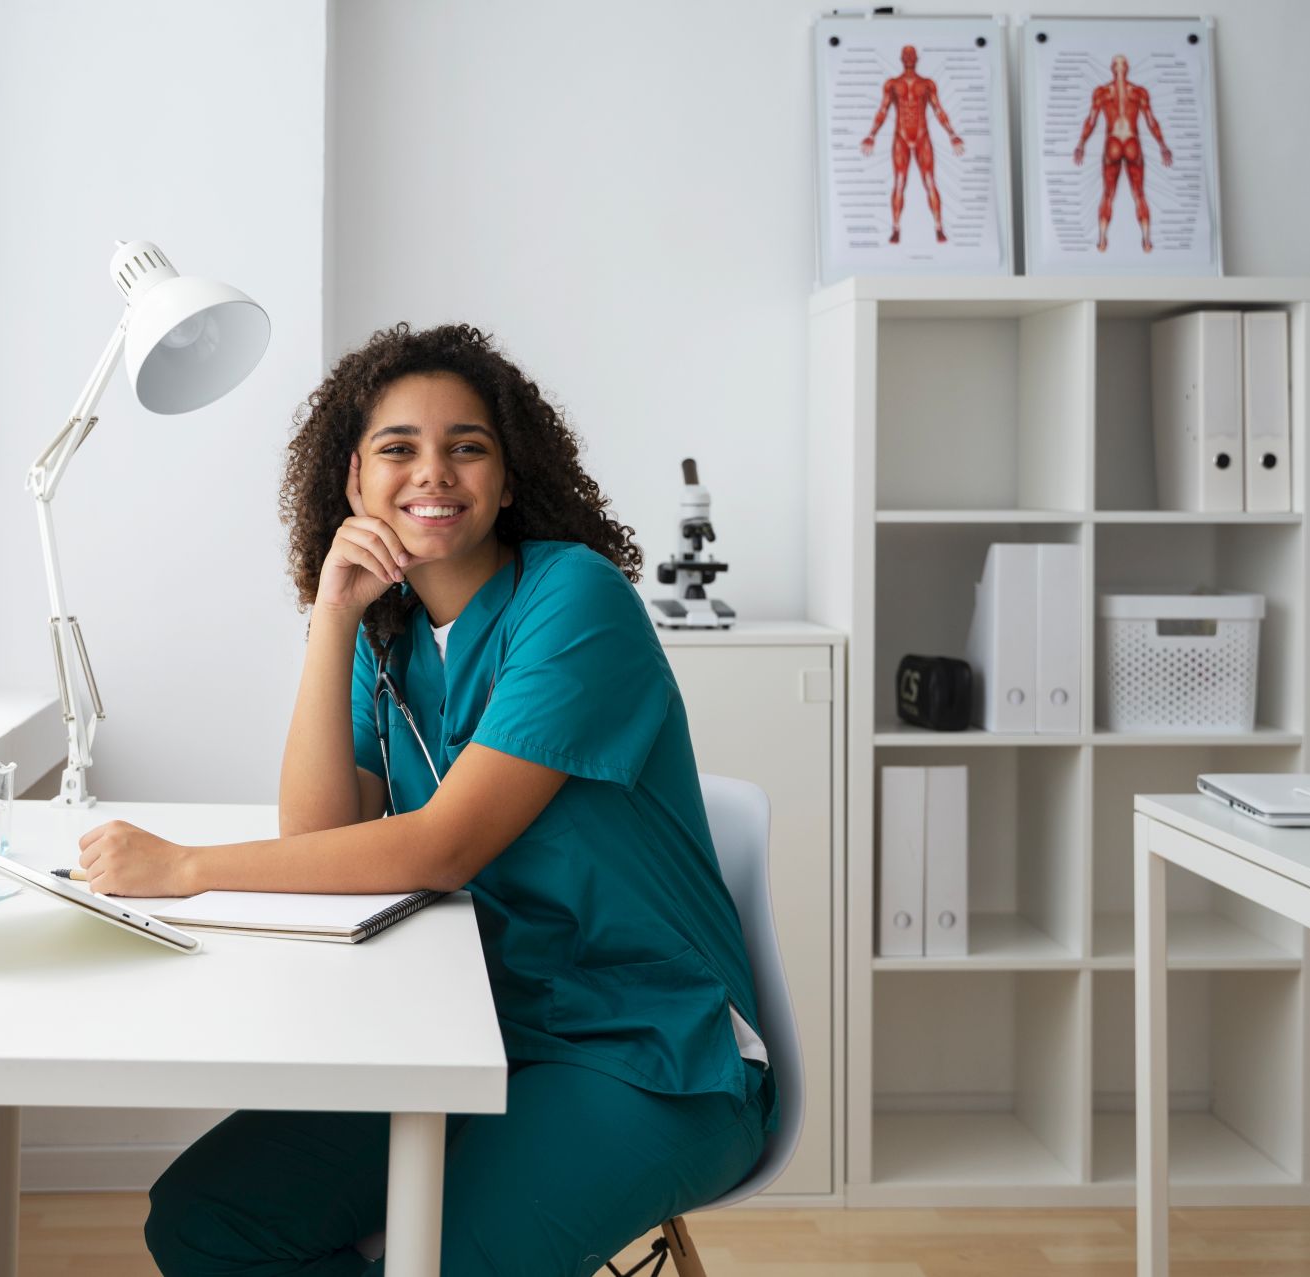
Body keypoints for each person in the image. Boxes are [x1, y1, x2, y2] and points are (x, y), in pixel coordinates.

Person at [78, 322, 772, 1276]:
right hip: (468, 1032)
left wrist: (186, 869)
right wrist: (334, 615)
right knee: (203, 1218)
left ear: (511, 475)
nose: (433, 472)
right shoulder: (388, 637)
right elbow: (322, 841)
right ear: (353, 481)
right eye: (399, 449)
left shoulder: (576, 601)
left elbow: (442, 846)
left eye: (468, 447)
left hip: (646, 1054)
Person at [860, 44, 966, 245]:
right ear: (901, 58)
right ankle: (896, 228)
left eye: (912, 54)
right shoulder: (892, 84)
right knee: (899, 182)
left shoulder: (927, 84)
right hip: (900, 137)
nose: (909, 56)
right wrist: (871, 135)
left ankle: (938, 227)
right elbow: (882, 110)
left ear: (916, 58)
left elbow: (938, 109)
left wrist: (952, 134)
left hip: (921, 137)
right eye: (905, 54)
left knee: (929, 181)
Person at [1073, 54, 1172, 253]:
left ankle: (1101, 241)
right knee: (1139, 194)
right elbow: (1151, 121)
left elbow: (1091, 121)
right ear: (1126, 68)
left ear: (1112, 68)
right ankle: (1146, 241)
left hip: (1113, 143)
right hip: (1132, 142)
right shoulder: (1138, 92)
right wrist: (1162, 145)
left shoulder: (1102, 92)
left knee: (1108, 194)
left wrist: (1081, 143)